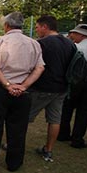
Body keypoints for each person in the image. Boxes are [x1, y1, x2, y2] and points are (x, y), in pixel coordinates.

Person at [0, 12, 44, 172]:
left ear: (6, 25)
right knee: (18, 128)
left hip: (0, 89)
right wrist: (24, 86)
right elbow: (40, 67)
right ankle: (14, 163)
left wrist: (7, 85)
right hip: (23, 91)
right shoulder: (34, 44)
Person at [27, 15, 76, 162]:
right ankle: (48, 150)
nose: (36, 30)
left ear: (45, 27)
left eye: (37, 27)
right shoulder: (70, 44)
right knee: (55, 120)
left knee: (24, 117)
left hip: (41, 87)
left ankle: (12, 144)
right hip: (61, 89)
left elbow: (33, 65)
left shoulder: (41, 43)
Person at [57, 24, 87, 148]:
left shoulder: (75, 47)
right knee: (84, 113)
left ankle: (63, 134)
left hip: (75, 83)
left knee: (67, 109)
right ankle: (77, 138)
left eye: (74, 33)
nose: (72, 35)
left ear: (81, 35)